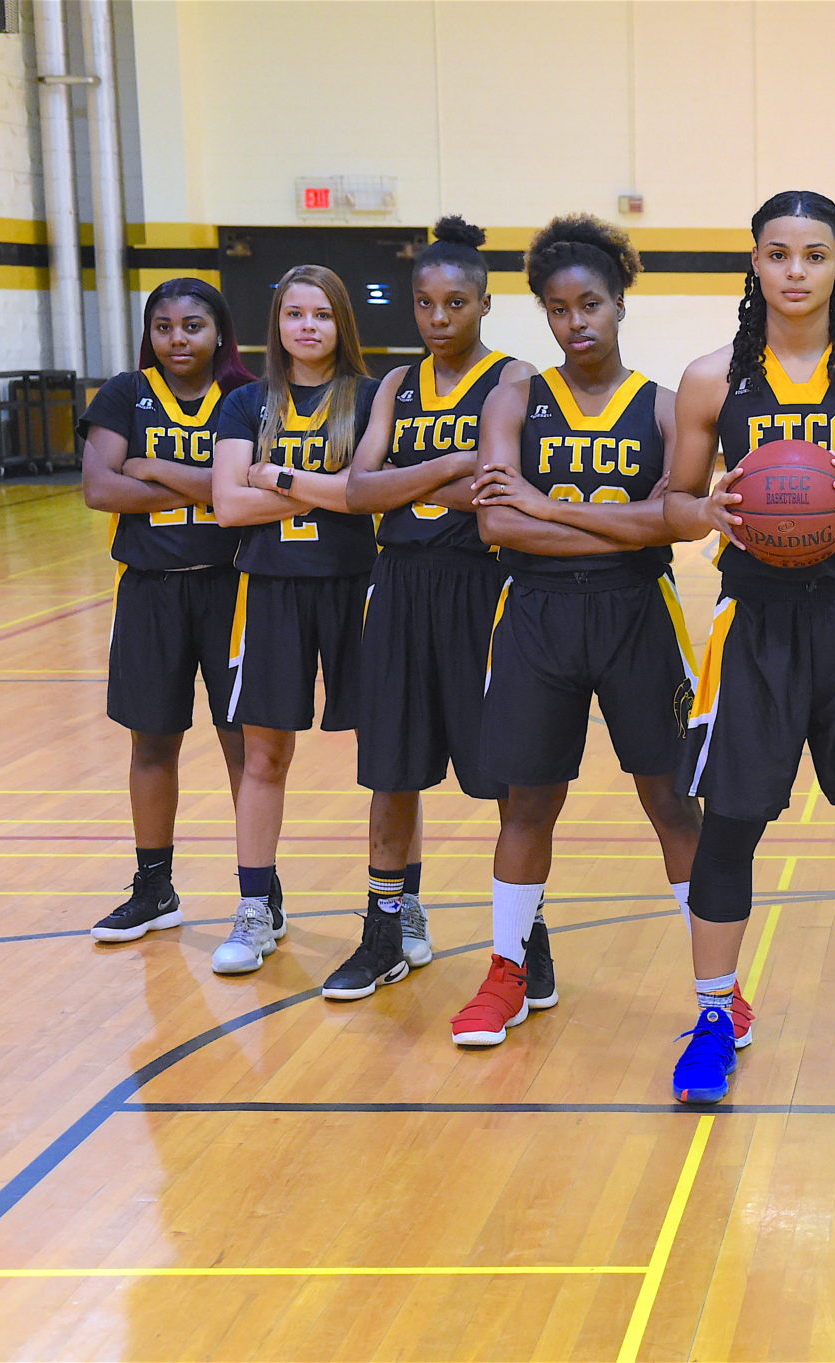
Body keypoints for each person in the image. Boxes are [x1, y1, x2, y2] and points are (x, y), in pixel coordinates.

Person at [662, 190, 835, 1105]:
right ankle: (715, 1018)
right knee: (730, 825)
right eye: (778, 253)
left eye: (814, 254)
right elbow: (674, 502)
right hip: (754, 624)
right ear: (755, 262)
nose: (795, 270)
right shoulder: (712, 379)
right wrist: (709, 510)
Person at [449, 213, 703, 1045]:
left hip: (638, 613)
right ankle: (508, 972)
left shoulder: (664, 406)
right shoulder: (514, 399)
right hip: (536, 612)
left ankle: (718, 987)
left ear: (620, 302)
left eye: (589, 304)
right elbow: (497, 525)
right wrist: (621, 521)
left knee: (672, 800)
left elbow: (676, 523)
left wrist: (546, 506)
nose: (575, 323)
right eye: (557, 310)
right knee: (527, 803)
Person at [321, 217, 534, 1000]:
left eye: (455, 303)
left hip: (483, 588)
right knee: (391, 769)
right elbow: (358, 489)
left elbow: (500, 489)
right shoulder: (395, 385)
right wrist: (448, 464)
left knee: (507, 777)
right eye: (424, 303)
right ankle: (384, 933)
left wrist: (407, 480)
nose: (437, 317)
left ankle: (526, 943)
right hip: (400, 583)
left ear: (484, 304)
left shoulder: (515, 380)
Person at [210, 265, 379, 974]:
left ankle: (398, 909)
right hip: (271, 590)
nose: (307, 326)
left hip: (358, 588)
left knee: (389, 756)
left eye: (321, 314)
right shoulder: (246, 404)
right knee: (263, 756)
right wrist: (326, 490)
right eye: (293, 314)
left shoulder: (371, 398)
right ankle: (256, 907)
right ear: (276, 323)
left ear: (343, 322)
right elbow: (227, 506)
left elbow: (366, 494)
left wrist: (276, 477)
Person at [80, 279, 257, 942]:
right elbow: (100, 488)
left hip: (233, 589)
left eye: (192, 325)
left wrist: (151, 467)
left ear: (220, 332)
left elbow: (243, 490)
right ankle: (154, 888)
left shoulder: (245, 397)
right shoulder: (124, 393)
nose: (177, 339)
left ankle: (259, 893)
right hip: (150, 590)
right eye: (164, 326)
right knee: (152, 741)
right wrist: (208, 489)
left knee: (244, 743)